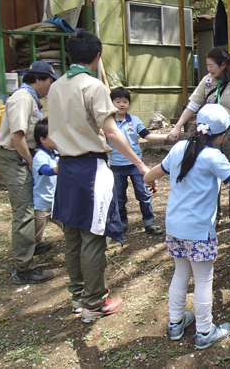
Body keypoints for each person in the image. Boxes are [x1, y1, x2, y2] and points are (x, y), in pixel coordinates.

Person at [48, 31, 154, 323]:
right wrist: (141, 165)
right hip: (90, 168)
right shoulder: (93, 86)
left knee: (72, 234)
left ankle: (78, 296)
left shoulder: (55, 86)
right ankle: (94, 303)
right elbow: (111, 131)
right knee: (93, 236)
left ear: (70, 55)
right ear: (97, 57)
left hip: (66, 168)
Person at [144, 104, 230, 349]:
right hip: (199, 230)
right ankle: (204, 332)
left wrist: (149, 182)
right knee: (203, 279)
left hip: (174, 227)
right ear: (222, 135)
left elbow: (152, 174)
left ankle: (176, 324)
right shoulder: (214, 157)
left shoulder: (180, 147)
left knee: (181, 273)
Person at [168, 47, 230, 231]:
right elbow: (193, 105)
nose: (209, 69)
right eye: (207, 65)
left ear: (223, 64)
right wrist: (178, 125)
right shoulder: (208, 81)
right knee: (210, 170)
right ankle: (214, 213)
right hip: (209, 130)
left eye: (212, 65)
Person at [0, 61, 58, 285]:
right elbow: (17, 137)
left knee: (35, 204)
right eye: (50, 81)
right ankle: (23, 268)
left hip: (23, 156)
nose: (51, 87)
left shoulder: (31, 98)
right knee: (24, 212)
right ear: (39, 79)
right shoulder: (22, 98)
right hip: (16, 157)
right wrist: (32, 163)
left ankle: (31, 243)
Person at [108, 87, 167, 236]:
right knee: (119, 198)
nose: (121, 104)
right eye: (117, 101)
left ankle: (149, 222)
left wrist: (167, 136)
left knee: (143, 194)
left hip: (136, 166)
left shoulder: (134, 120)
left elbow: (147, 136)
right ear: (111, 103)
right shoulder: (107, 123)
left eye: (125, 101)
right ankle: (121, 224)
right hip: (116, 166)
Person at [32, 118, 63, 249]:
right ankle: (33, 247)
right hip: (41, 203)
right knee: (36, 230)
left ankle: (76, 242)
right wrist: (57, 169)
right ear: (42, 139)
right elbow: (45, 170)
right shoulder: (40, 156)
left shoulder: (55, 154)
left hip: (55, 202)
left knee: (67, 225)